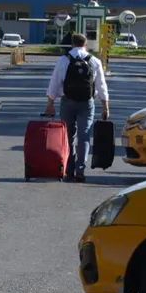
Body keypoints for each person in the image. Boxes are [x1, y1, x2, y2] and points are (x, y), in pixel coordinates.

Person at [44, 34, 109, 183]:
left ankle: (69, 170)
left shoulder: (63, 60)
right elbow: (101, 85)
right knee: (84, 136)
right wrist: (105, 106)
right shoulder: (94, 61)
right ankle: (80, 170)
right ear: (85, 45)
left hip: (67, 101)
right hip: (87, 102)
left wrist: (50, 105)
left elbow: (54, 83)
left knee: (68, 136)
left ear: (72, 45)